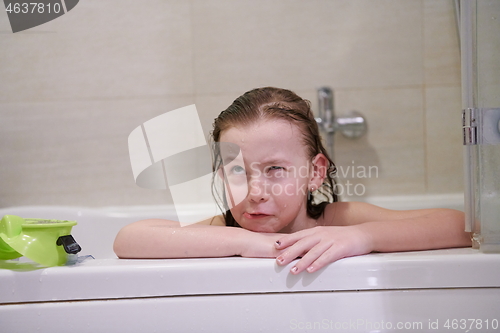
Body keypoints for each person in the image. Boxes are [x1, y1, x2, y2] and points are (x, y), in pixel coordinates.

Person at [114, 87, 471, 274]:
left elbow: (461, 226)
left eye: (275, 170)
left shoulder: (336, 220)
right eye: (237, 171)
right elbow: (128, 238)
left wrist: (361, 237)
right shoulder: (225, 228)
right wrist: (242, 242)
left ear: (314, 172)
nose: (256, 193)